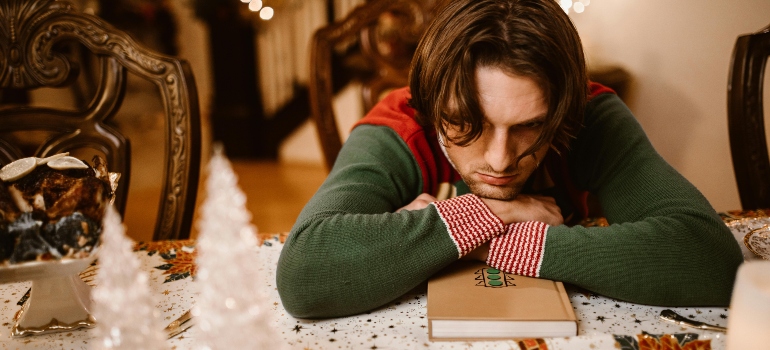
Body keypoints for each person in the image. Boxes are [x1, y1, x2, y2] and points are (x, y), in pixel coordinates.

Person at [276, 0, 743, 318]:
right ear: (429, 103)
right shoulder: (399, 124)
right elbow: (305, 273)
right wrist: (490, 213)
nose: (500, 161)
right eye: (466, 124)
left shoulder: (589, 115)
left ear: (561, 109)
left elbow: (709, 258)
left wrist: (480, 239)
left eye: (530, 125)